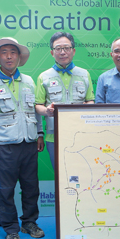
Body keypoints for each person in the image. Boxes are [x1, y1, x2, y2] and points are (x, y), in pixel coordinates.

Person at [0, 37, 44, 239]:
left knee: (31, 187)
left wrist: (40, 133)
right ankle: (11, 229)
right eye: (4, 53)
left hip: (29, 143)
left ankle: (30, 222)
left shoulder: (29, 81)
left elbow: (35, 110)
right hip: (4, 145)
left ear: (18, 57)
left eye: (13, 52)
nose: (9, 56)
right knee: (5, 190)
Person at [35, 32, 94, 169]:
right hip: (53, 137)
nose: (62, 52)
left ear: (73, 51)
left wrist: (87, 107)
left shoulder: (84, 74)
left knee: (83, 173)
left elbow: (90, 101)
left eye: (66, 48)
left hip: (81, 135)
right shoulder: (44, 77)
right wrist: (47, 111)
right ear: (52, 52)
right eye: (58, 48)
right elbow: (38, 105)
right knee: (60, 177)